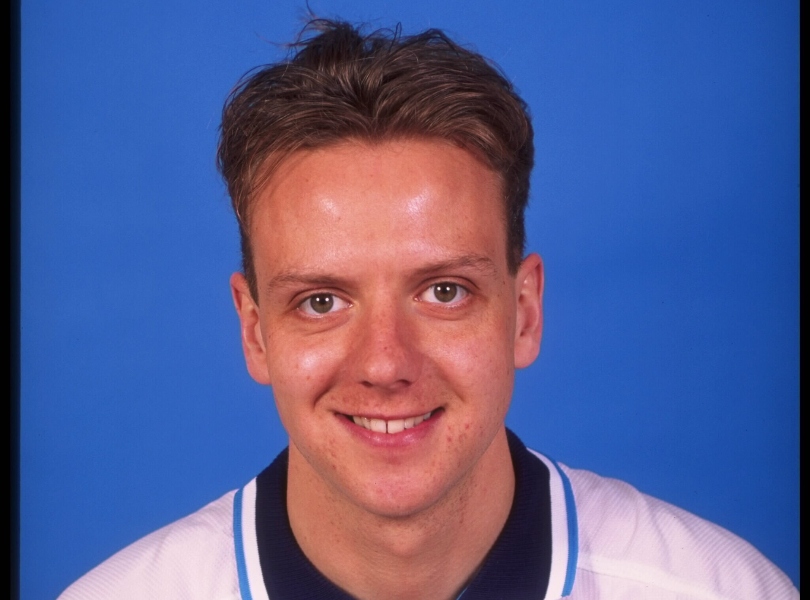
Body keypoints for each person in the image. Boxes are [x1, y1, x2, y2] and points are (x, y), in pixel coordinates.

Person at [58, 19, 798, 600]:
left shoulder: (726, 591)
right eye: (321, 301)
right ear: (254, 331)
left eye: (443, 291)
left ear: (525, 312)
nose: (384, 363)